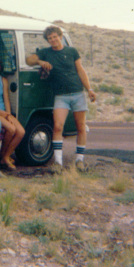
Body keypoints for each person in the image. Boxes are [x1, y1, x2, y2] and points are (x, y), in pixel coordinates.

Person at [26, 25, 97, 173]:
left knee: (80, 127)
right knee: (58, 127)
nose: (53, 40)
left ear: (60, 36)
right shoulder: (45, 52)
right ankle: (58, 162)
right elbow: (29, 60)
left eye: (55, 37)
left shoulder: (72, 51)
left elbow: (80, 70)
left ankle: (79, 160)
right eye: (50, 38)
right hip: (61, 96)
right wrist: (40, 62)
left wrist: (89, 89)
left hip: (77, 93)